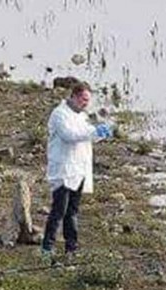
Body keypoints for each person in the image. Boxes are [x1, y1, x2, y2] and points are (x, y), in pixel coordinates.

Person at [41, 82, 112, 259]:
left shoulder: (81, 116)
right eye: (83, 99)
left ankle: (71, 248)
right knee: (58, 211)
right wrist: (93, 131)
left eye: (88, 100)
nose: (86, 103)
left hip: (79, 170)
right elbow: (69, 135)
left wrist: (100, 134)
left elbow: (86, 135)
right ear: (73, 96)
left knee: (72, 212)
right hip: (63, 170)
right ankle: (47, 248)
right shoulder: (60, 114)